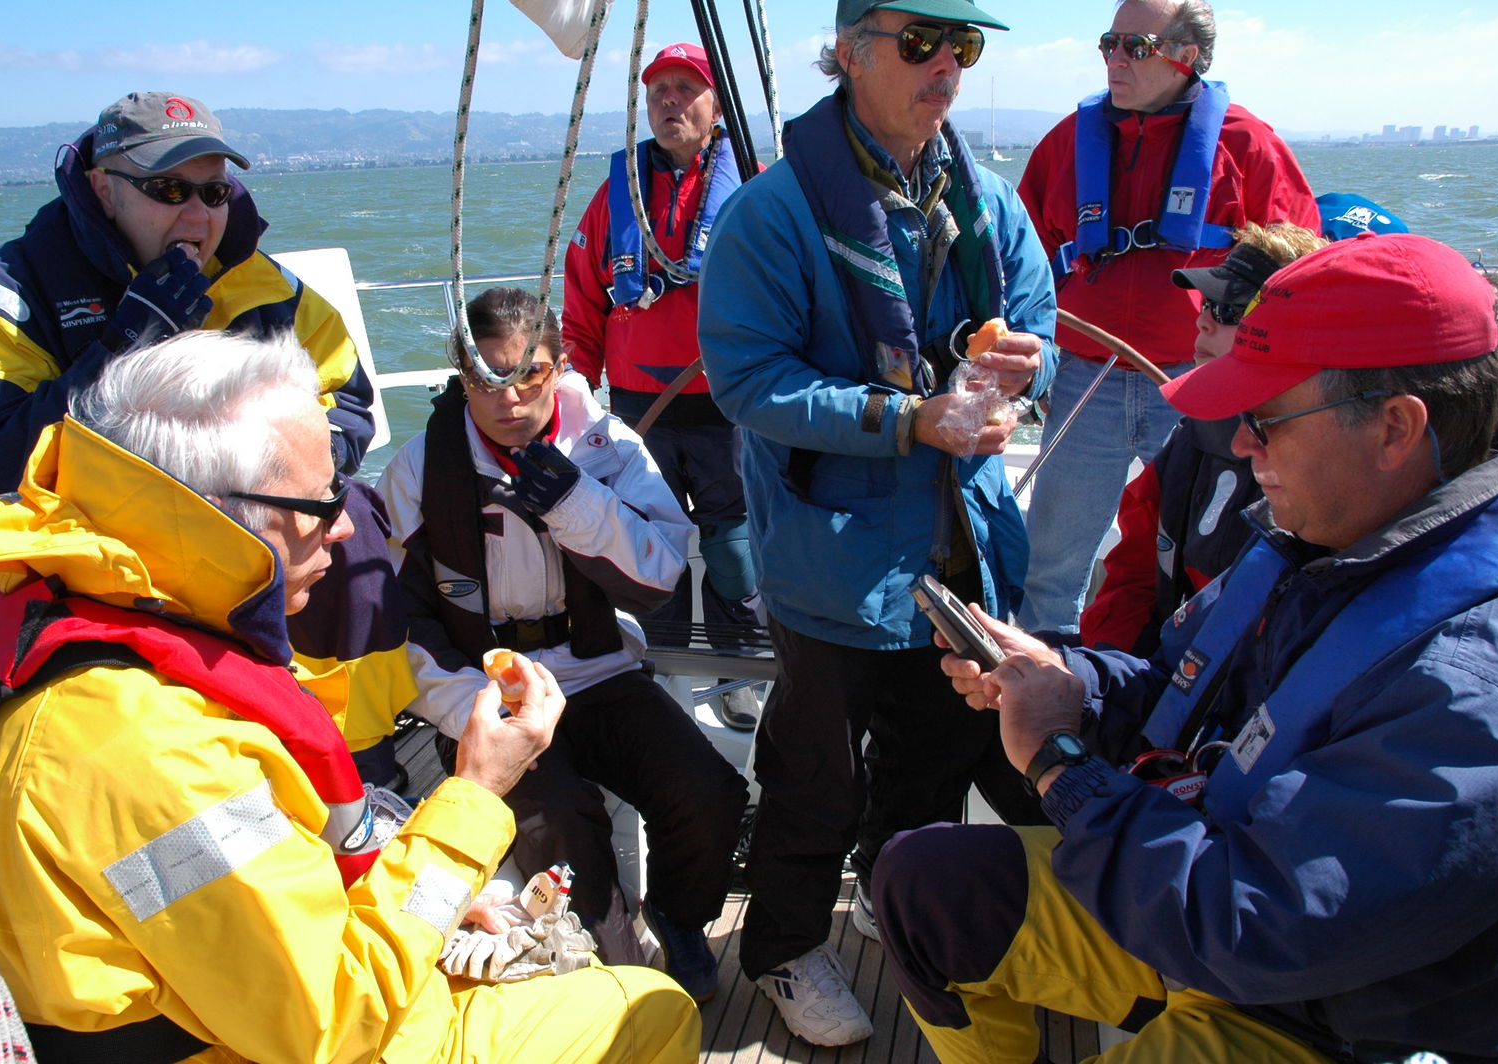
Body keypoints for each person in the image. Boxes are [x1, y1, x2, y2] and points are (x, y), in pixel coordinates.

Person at [0, 330, 699, 1064]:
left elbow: (250, 898)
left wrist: (420, 890)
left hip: (264, 1005)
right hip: (294, 1038)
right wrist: (475, 791)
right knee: (646, 1006)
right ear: (219, 517)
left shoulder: (102, 628)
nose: (343, 531)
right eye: (321, 506)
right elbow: (338, 1020)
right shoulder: (147, 749)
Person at [872, 233, 1498, 1062]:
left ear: (1394, 428)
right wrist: (1070, 680)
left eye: (1266, 418)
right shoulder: (1325, 542)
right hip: (1205, 899)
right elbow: (1181, 690)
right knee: (925, 886)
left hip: (1318, 1012)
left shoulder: (1468, 676)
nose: (1241, 444)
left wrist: (1060, 764)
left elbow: (1263, 927)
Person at [696, 0, 1057, 1045]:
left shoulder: (989, 204)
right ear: (850, 54)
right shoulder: (771, 215)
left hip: (961, 550)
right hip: (832, 565)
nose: (947, 64)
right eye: (919, 41)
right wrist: (907, 420)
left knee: (931, 765)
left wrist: (1026, 376)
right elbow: (747, 377)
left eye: (963, 45)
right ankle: (781, 948)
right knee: (815, 775)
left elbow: (1041, 334)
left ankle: (900, 912)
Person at [377, 287, 749, 1001]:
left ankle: (678, 918)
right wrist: (469, 707)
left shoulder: (609, 449)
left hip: (600, 670)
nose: (510, 398)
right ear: (461, 376)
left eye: (530, 374)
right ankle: (618, 976)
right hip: (490, 692)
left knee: (707, 792)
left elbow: (660, 574)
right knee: (563, 824)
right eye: (487, 378)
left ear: (562, 366)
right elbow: (402, 619)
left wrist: (575, 501)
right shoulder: (419, 471)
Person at [0, 90, 375, 511]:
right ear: (104, 191)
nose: (198, 214)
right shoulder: (6, 298)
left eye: (214, 193)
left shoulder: (267, 286)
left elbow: (347, 404)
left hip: (255, 521)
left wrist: (303, 468)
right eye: (169, 190)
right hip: (97, 543)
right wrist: (120, 350)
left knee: (361, 521)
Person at [1015, 0, 1319, 636]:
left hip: (1202, 386)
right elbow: (1019, 261)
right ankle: (1043, 680)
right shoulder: (1067, 143)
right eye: (1109, 43)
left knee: (1211, 556)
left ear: (1187, 56)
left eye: (1136, 46)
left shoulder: (1249, 146)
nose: (1115, 59)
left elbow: (1297, 268)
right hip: (1085, 379)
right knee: (1050, 566)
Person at [563, 43, 763, 730]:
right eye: (658, 92)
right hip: (638, 408)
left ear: (716, 104)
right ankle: (664, 672)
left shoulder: (756, 188)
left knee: (734, 548)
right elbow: (582, 298)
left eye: (686, 88)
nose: (670, 101)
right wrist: (576, 394)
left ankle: (739, 672)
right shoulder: (613, 197)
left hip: (729, 401)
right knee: (650, 544)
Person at [1080, 221, 1326, 655]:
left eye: (1229, 310)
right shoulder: (1189, 444)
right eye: (1207, 303)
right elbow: (1132, 579)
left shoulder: (1326, 464)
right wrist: (1101, 672)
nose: (1202, 320)